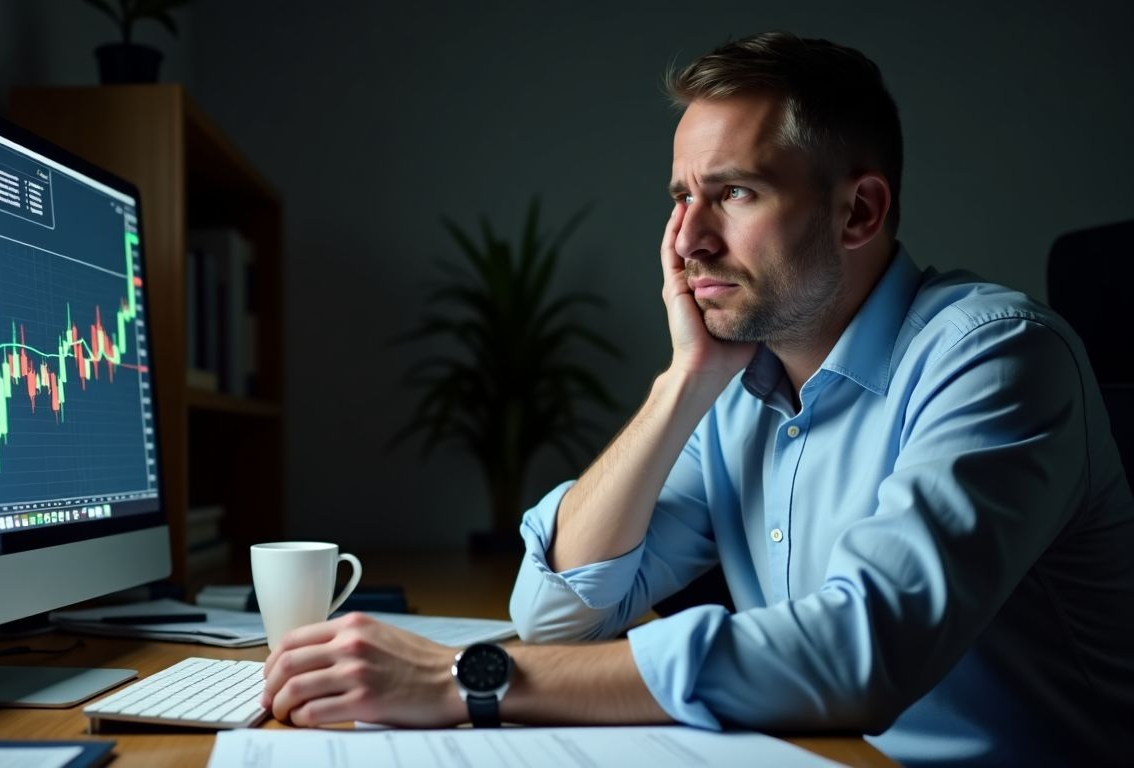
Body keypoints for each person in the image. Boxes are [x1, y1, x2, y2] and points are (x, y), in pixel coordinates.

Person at [259, 31, 1134, 765]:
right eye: (681, 197)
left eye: (734, 193)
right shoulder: (740, 390)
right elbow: (557, 613)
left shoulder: (997, 357)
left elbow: (862, 652)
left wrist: (466, 681)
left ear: (859, 212)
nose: (686, 240)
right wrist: (683, 385)